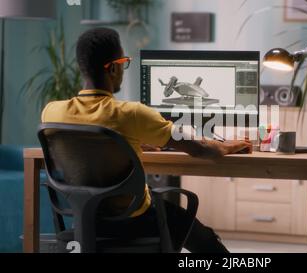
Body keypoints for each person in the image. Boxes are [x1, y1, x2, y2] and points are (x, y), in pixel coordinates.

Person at [41, 27, 253, 253]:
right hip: (135, 220)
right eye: (124, 62)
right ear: (113, 68)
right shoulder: (131, 114)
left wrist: (128, 144)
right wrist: (232, 144)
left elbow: (85, 147)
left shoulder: (51, 113)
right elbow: (201, 148)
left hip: (86, 219)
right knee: (208, 243)